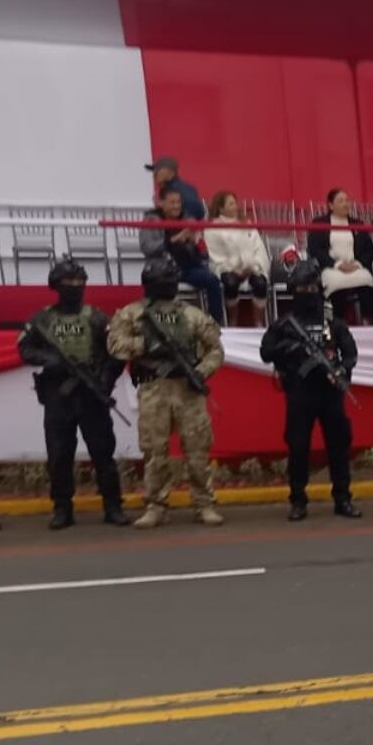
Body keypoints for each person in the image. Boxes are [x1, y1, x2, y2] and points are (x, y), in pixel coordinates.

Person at [107, 257, 225, 529]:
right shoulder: (132, 313)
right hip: (154, 388)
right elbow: (115, 344)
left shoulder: (191, 314)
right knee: (154, 451)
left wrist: (201, 372)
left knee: (197, 450)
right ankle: (156, 506)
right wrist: (147, 344)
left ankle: (203, 504)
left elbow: (215, 350)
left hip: (187, 389)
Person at [17, 258, 131, 529]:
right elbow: (25, 349)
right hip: (58, 394)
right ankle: (62, 508)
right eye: (69, 283)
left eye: (80, 282)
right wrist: (50, 360)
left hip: (91, 395)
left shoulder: (96, 316)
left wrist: (104, 381)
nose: (75, 287)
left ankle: (113, 506)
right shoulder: (42, 318)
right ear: (56, 285)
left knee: (103, 453)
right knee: (59, 454)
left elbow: (115, 353)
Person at [259, 261, 362, 521]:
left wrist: (342, 371)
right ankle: (298, 501)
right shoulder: (284, 325)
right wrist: (290, 349)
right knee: (298, 447)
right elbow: (266, 352)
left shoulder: (334, 324)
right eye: (303, 287)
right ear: (294, 291)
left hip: (330, 393)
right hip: (300, 393)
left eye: (313, 286)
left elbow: (350, 354)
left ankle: (343, 498)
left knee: (338, 447)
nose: (309, 291)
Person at [140, 187, 226, 316]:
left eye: (178, 202)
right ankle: (155, 320)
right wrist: (173, 240)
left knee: (212, 281)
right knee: (158, 283)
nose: (176, 206)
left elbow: (202, 252)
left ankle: (215, 323)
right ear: (161, 203)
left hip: (188, 266)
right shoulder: (151, 220)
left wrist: (195, 240)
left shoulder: (187, 218)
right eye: (172, 202)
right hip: (163, 268)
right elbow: (147, 248)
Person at [307, 188, 373, 323]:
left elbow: (369, 250)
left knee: (367, 280)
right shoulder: (320, 223)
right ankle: (338, 324)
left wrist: (357, 264)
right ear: (331, 205)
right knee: (335, 282)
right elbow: (315, 250)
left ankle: (367, 323)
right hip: (332, 267)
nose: (346, 204)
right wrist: (338, 265)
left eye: (347, 200)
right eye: (341, 201)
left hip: (355, 266)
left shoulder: (357, 224)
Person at [206, 191, 270, 329]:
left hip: (250, 267)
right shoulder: (212, 228)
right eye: (231, 204)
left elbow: (258, 247)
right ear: (221, 208)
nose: (236, 206)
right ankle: (232, 321)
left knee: (260, 283)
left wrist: (253, 266)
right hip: (227, 269)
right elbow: (215, 255)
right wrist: (234, 268)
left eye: (235, 203)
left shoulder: (246, 224)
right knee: (230, 283)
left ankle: (259, 323)